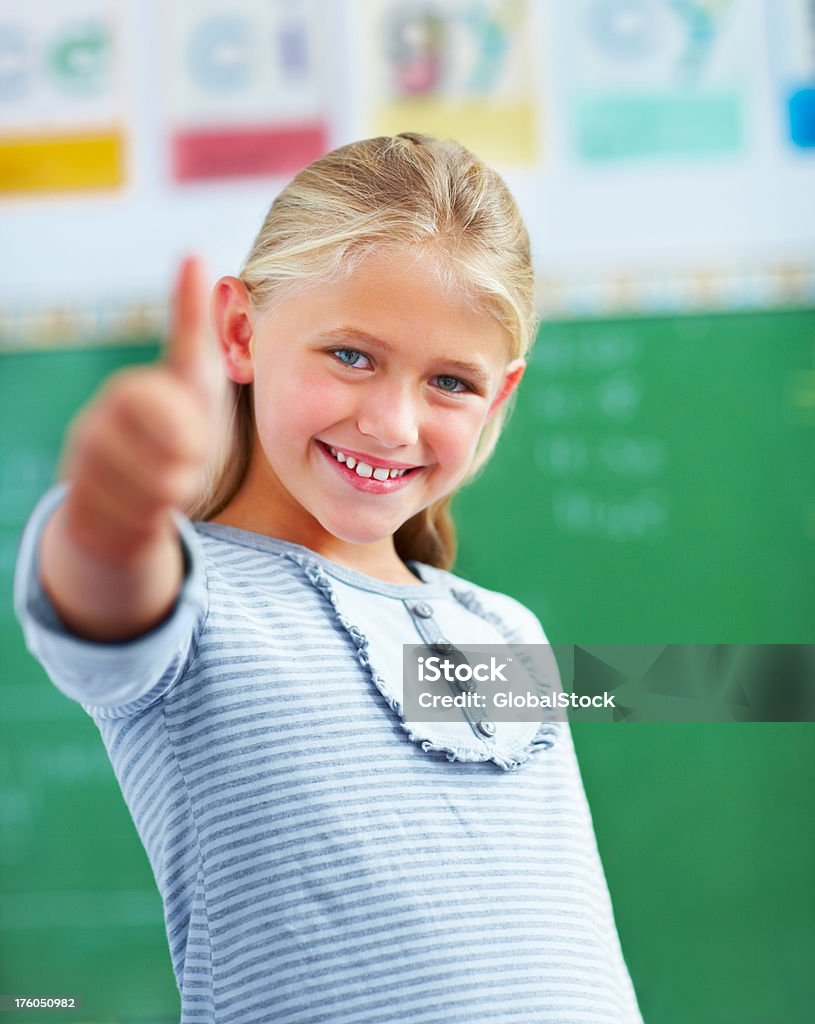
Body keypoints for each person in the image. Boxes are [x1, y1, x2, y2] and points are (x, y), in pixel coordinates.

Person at [15, 133, 643, 1024]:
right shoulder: (200, 607)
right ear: (240, 332)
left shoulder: (501, 633)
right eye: (350, 355)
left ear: (499, 397)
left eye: (451, 382)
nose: (391, 424)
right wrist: (115, 507)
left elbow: (683, 681)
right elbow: (105, 587)